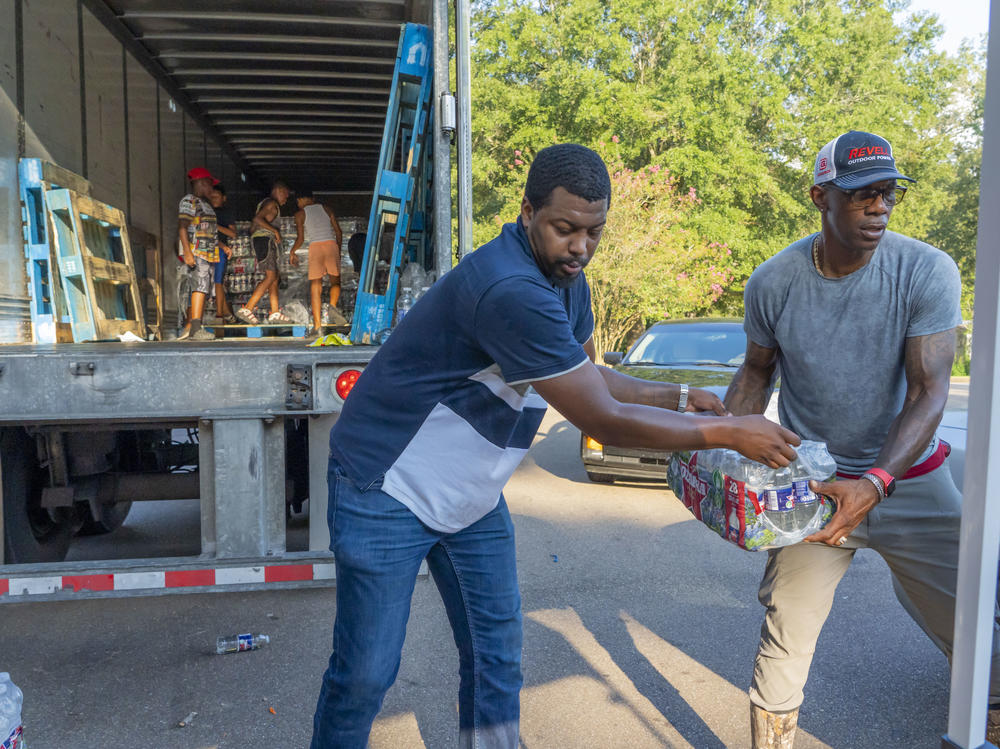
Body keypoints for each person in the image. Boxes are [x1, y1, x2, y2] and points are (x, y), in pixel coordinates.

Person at [310, 143, 800, 749]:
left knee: (497, 654)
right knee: (366, 673)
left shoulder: (567, 279)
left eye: (594, 232)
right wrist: (730, 430)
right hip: (387, 486)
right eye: (565, 229)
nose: (581, 247)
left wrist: (676, 394)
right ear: (526, 211)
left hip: (470, 497)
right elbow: (602, 417)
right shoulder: (508, 288)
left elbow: (590, 376)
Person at [723, 130, 1000, 747]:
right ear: (820, 196)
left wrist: (875, 483)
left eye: (888, 194)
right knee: (786, 634)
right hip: (816, 486)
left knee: (976, 623)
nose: (879, 207)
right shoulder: (774, 281)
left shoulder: (926, 269)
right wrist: (722, 460)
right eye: (862, 195)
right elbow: (756, 372)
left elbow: (930, 390)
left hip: (909, 480)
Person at [235, 179, 293, 325]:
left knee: (274, 277)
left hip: (263, 241)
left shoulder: (265, 204)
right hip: (265, 241)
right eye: (285, 195)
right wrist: (275, 231)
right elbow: (257, 219)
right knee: (270, 275)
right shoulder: (271, 203)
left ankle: (274, 312)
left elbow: (253, 226)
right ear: (279, 191)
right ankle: (247, 308)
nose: (286, 199)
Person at [290, 190, 347, 332]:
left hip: (315, 248)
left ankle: (317, 326)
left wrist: (292, 252)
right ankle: (333, 307)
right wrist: (337, 250)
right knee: (335, 282)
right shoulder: (327, 209)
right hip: (330, 245)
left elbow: (301, 239)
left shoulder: (300, 214)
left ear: (301, 199)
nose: (298, 204)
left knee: (315, 286)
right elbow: (339, 232)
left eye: (298, 202)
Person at [176, 167, 220, 341]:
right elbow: (182, 227)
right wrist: (187, 252)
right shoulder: (189, 201)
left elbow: (209, 230)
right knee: (199, 287)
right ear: (201, 183)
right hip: (197, 251)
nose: (212, 189)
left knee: (204, 288)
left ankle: (194, 326)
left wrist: (221, 246)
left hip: (209, 253)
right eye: (210, 185)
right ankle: (195, 328)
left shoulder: (206, 205)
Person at [209, 184, 236, 324]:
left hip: (219, 250)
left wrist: (215, 225)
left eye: (216, 196)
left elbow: (232, 233)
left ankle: (220, 315)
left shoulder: (226, 213)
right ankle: (225, 314)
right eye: (211, 196)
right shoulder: (206, 211)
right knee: (206, 282)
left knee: (218, 281)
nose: (213, 198)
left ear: (223, 198)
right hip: (206, 249)